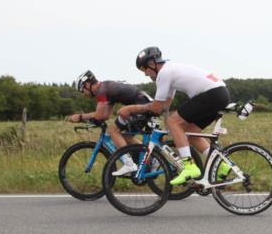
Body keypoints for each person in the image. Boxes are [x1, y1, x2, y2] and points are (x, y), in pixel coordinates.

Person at [113, 47, 232, 184]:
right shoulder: (171, 70)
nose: (145, 74)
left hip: (212, 93)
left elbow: (157, 107)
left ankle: (189, 166)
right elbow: (164, 106)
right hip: (219, 93)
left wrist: (131, 109)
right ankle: (222, 165)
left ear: (152, 64)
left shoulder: (164, 73)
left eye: (144, 69)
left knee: (174, 122)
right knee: (191, 133)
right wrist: (169, 128)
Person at [67, 70, 152, 172]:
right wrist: (93, 119)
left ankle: (129, 164)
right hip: (143, 103)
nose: (83, 94)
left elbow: (99, 115)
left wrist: (80, 117)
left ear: (87, 84)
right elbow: (105, 115)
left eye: (82, 91)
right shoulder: (106, 88)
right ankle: (152, 158)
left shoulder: (101, 91)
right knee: (125, 137)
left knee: (112, 131)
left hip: (140, 106)